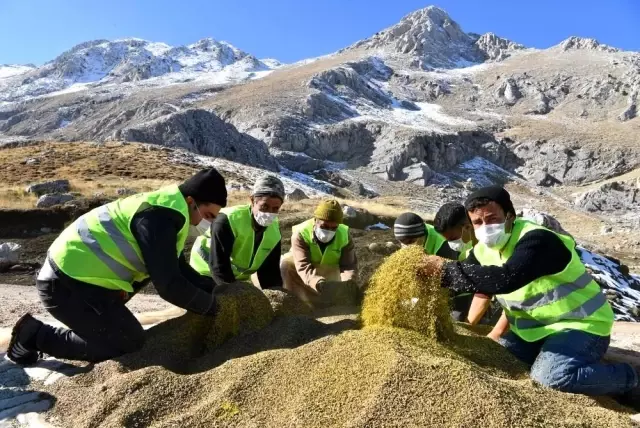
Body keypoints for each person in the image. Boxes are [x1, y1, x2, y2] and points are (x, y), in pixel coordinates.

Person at [426, 185, 637, 397]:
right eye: (478, 222)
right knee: (492, 359)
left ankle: (630, 378)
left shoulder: (536, 240)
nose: (485, 227)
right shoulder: (482, 250)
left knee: (551, 378)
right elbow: (467, 281)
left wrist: (443, 271)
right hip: (531, 331)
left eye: (492, 219)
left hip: (580, 326)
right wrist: (425, 287)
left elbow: (505, 278)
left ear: (510, 216)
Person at [7, 168, 227, 365]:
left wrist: (216, 290)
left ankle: (92, 326)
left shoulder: (169, 209)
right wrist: (215, 308)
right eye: (207, 215)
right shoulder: (159, 218)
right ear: (191, 201)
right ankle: (34, 336)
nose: (202, 223)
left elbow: (178, 269)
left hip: (89, 283)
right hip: (65, 285)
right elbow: (169, 284)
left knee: (119, 330)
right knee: (127, 342)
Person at [190, 175, 284, 289]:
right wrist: (234, 294)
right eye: (264, 206)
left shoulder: (274, 230)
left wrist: (276, 294)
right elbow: (219, 266)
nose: (269, 213)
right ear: (252, 200)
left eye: (275, 209)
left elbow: (270, 271)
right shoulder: (228, 220)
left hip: (237, 279)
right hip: (204, 274)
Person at [280, 200, 358, 308]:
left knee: (343, 291)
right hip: (307, 274)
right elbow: (303, 266)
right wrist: (319, 283)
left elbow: (349, 265)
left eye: (333, 228)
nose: (328, 231)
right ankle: (297, 304)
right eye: (324, 226)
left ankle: (329, 302)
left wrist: (347, 284)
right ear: (316, 220)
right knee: (285, 265)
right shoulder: (301, 233)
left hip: (330, 272)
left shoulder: (344, 236)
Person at [433, 202, 498, 325]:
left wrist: (468, 324)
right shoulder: (467, 251)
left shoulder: (490, 243)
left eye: (452, 238)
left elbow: (486, 287)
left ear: (467, 226)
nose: (451, 243)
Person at [393, 212, 458, 260]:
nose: (407, 247)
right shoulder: (418, 231)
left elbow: (454, 271)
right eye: (402, 241)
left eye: (410, 241)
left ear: (421, 236)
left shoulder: (444, 245)